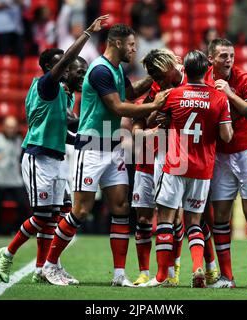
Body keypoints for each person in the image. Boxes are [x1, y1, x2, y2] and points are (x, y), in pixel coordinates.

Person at [42, 23, 171, 287]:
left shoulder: (117, 69)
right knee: (80, 210)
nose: (135, 50)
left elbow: (131, 93)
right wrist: (155, 104)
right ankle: (49, 265)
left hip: (112, 146)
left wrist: (154, 77)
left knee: (121, 209)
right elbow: (118, 106)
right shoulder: (100, 70)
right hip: (91, 145)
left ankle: (119, 274)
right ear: (117, 43)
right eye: (132, 45)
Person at [0, 14, 110, 285]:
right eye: (68, 65)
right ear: (52, 66)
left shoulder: (65, 95)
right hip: (37, 156)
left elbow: (70, 133)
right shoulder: (46, 85)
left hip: (56, 158)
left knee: (59, 215)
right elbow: (68, 61)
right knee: (43, 216)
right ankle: (8, 251)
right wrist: (87, 33)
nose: (76, 72)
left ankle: (42, 268)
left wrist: (106, 144)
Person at [139, 50, 233, 288]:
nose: (155, 79)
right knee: (195, 222)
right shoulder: (218, 96)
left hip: (176, 162)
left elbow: (150, 119)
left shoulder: (172, 94)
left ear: (182, 69)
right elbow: (226, 136)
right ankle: (198, 267)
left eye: (156, 73)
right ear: (205, 71)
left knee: (165, 220)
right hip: (203, 166)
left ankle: (163, 275)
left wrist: (165, 120)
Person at [205, 38, 247, 289]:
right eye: (222, 56)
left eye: (231, 55)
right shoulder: (203, 79)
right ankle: (226, 277)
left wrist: (229, 94)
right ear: (211, 59)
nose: (228, 59)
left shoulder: (244, 80)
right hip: (219, 155)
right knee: (220, 217)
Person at [131, 48, 187, 287]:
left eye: (160, 74)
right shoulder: (156, 86)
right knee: (143, 216)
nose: (158, 79)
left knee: (174, 215)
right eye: (154, 75)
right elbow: (136, 126)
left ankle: (173, 270)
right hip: (147, 154)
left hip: (174, 155)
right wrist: (153, 118)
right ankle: (144, 272)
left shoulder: (192, 82)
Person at [0, 115, 29, 234]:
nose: (11, 129)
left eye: (13, 127)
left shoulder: (19, 140)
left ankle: (19, 229)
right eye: (8, 127)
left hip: (15, 179)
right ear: (4, 127)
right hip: (0, 179)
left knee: (22, 204)